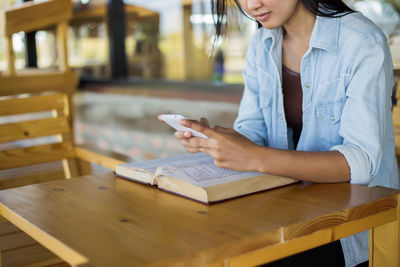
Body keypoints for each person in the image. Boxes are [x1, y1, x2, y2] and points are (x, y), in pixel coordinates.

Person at [172, 0, 399, 266]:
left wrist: (254, 157)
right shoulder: (262, 44)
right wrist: (216, 143)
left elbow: (361, 163)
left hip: (353, 225)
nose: (252, 5)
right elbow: (252, 131)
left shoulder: (362, 42)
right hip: (285, 210)